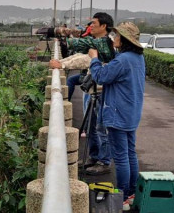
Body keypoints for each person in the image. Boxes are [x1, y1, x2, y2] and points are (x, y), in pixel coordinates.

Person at [87, 21, 145, 210]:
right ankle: (132, 192)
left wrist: (94, 58)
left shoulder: (123, 60)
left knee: (120, 157)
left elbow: (101, 76)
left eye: (117, 36)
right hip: (131, 112)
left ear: (125, 40)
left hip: (118, 113)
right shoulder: (136, 58)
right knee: (130, 153)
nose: (114, 38)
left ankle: (122, 196)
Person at [49, 12, 115, 175]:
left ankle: (104, 161)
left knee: (101, 128)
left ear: (103, 26)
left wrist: (62, 64)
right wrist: (62, 63)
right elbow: (81, 55)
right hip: (92, 90)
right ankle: (93, 157)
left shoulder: (104, 43)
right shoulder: (96, 42)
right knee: (91, 127)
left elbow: (85, 58)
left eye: (93, 23)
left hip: (102, 92)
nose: (90, 26)